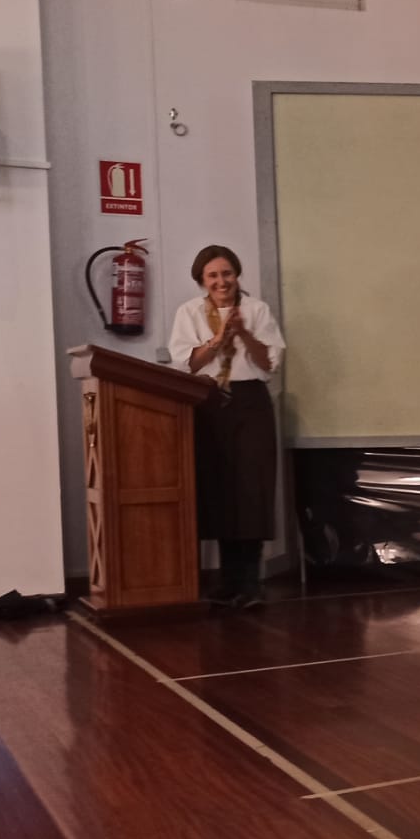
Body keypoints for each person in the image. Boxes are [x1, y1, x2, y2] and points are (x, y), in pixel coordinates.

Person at [168, 245, 287, 608]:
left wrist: (244, 333)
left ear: (237, 275)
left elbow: (269, 363)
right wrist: (219, 339)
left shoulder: (257, 310)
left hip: (250, 402)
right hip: (208, 402)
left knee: (251, 487)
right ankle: (227, 580)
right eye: (213, 276)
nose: (222, 281)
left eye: (227, 273)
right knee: (218, 487)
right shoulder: (189, 312)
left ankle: (250, 582)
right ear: (202, 281)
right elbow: (187, 364)